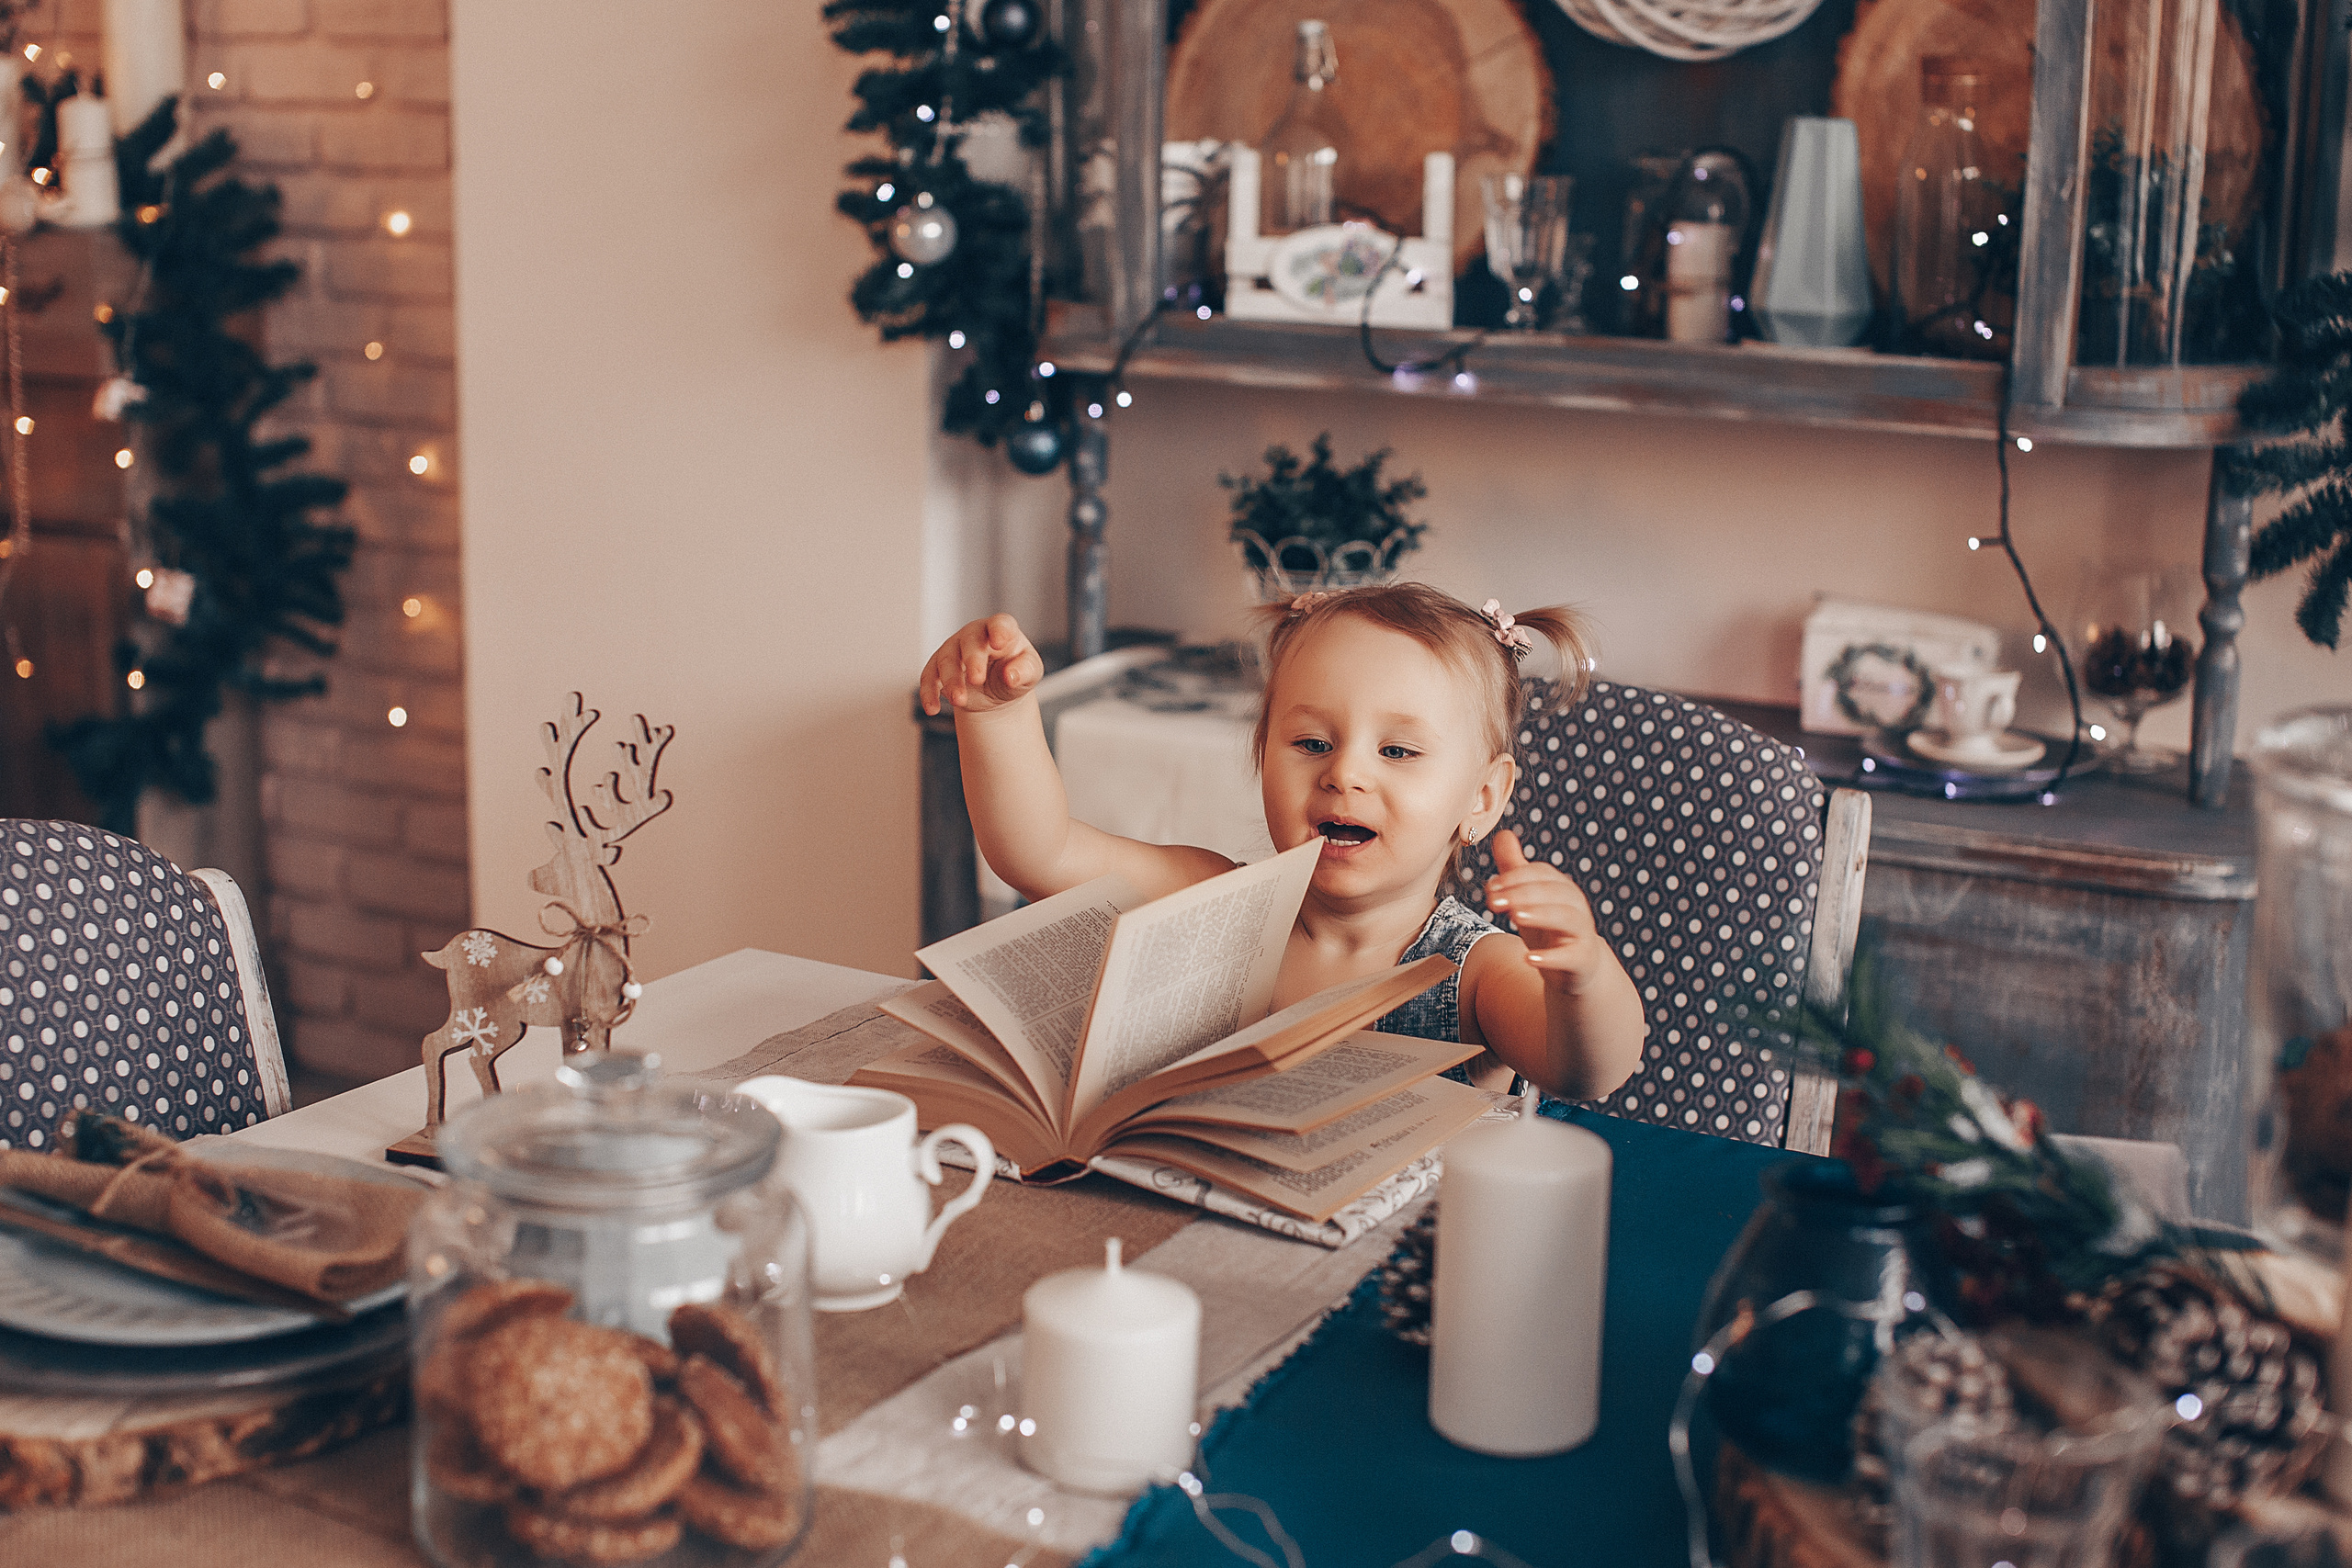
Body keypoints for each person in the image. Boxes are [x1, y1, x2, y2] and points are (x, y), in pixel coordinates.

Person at [917, 583, 1647, 1101]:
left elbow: (1586, 1070)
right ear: (1262, 754)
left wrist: (1579, 973)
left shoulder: (1476, 972)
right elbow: (1039, 854)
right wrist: (996, 716)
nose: (1345, 771)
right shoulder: (1213, 900)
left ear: (1482, 799)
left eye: (1397, 751)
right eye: (1311, 740)